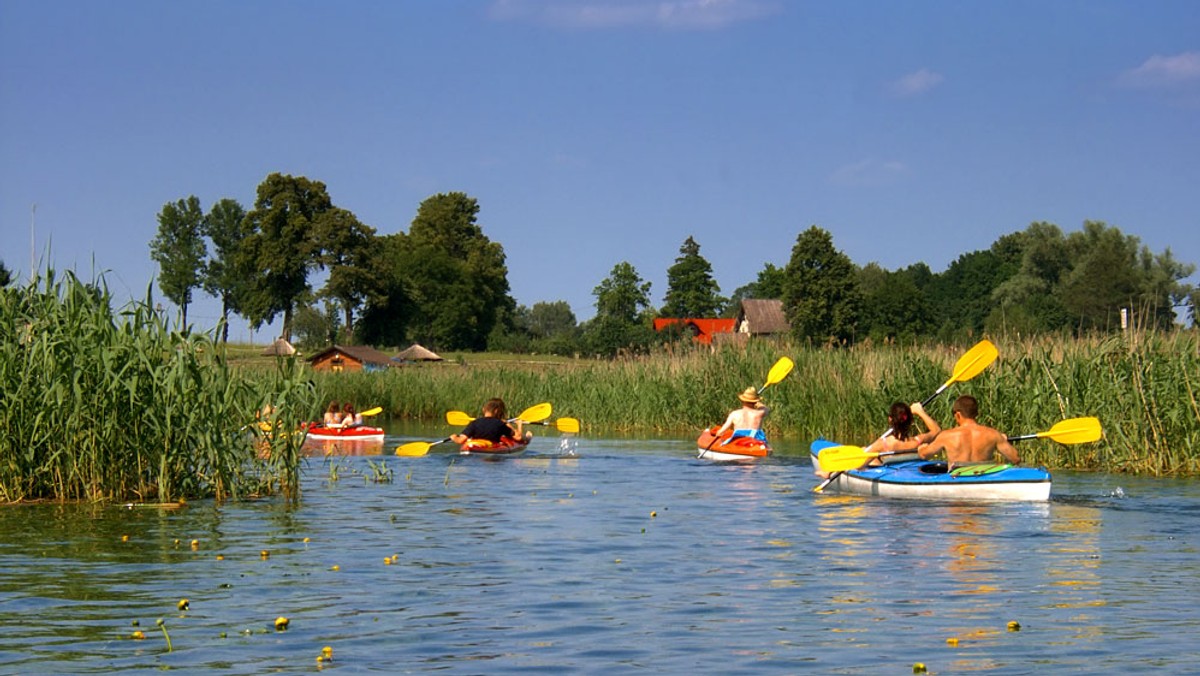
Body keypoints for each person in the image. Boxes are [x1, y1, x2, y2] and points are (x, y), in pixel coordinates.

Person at [917, 394, 1020, 469]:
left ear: (958, 414)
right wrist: (1003, 440)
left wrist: (922, 448)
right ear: (977, 413)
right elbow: (1015, 458)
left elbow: (924, 455)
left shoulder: (946, 436)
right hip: (983, 478)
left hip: (957, 478)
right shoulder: (993, 434)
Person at [861, 401, 941, 466]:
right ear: (910, 421)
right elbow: (936, 430)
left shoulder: (883, 444)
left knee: (868, 454)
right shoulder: (918, 441)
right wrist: (920, 412)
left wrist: (864, 452)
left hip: (892, 477)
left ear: (890, 419)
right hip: (910, 471)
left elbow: (860, 465)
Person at [450, 398, 529, 445]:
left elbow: (460, 440)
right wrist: (519, 424)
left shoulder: (474, 423)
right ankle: (528, 436)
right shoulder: (500, 424)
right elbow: (518, 438)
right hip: (491, 448)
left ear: (483, 410)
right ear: (496, 411)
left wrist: (454, 437)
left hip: (475, 448)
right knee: (525, 437)